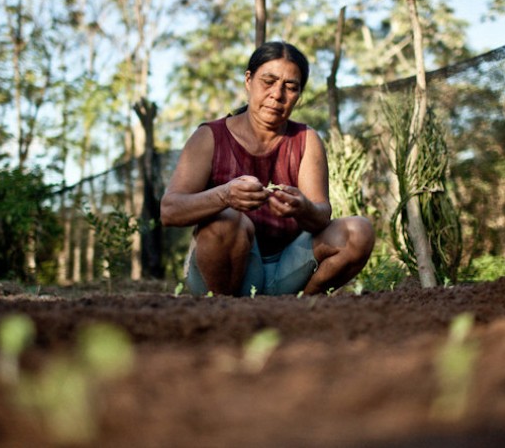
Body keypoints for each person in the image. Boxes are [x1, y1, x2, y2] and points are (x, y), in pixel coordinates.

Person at [161, 41, 375, 296]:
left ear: (299, 94)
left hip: (287, 268)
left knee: (359, 231)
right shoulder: (210, 136)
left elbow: (321, 215)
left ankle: (302, 307)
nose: (277, 94)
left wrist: (303, 207)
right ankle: (223, 311)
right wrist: (224, 196)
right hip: (221, 271)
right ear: (249, 80)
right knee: (226, 221)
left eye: (290, 87)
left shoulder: (306, 140)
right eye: (268, 81)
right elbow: (169, 211)